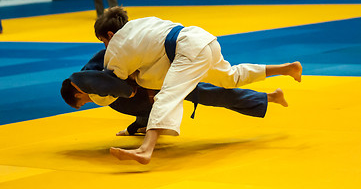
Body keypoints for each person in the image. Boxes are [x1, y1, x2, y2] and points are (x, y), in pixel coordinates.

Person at [93, 6, 303, 164]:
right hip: (203, 39)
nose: (105, 46)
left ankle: (145, 150)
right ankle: (286, 68)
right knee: (229, 77)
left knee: (168, 95)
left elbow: (113, 79)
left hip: (187, 49)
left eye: (104, 41)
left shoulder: (118, 45)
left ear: (111, 35)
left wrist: (97, 90)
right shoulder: (141, 24)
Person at [61, 49, 288, 137]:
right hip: (157, 84)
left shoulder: (91, 76)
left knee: (212, 94)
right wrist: (133, 129)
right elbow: (135, 106)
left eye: (82, 102)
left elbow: (134, 76)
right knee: (212, 94)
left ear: (77, 93)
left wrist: (148, 90)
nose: (88, 102)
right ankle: (269, 96)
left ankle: (270, 95)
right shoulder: (101, 90)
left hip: (163, 76)